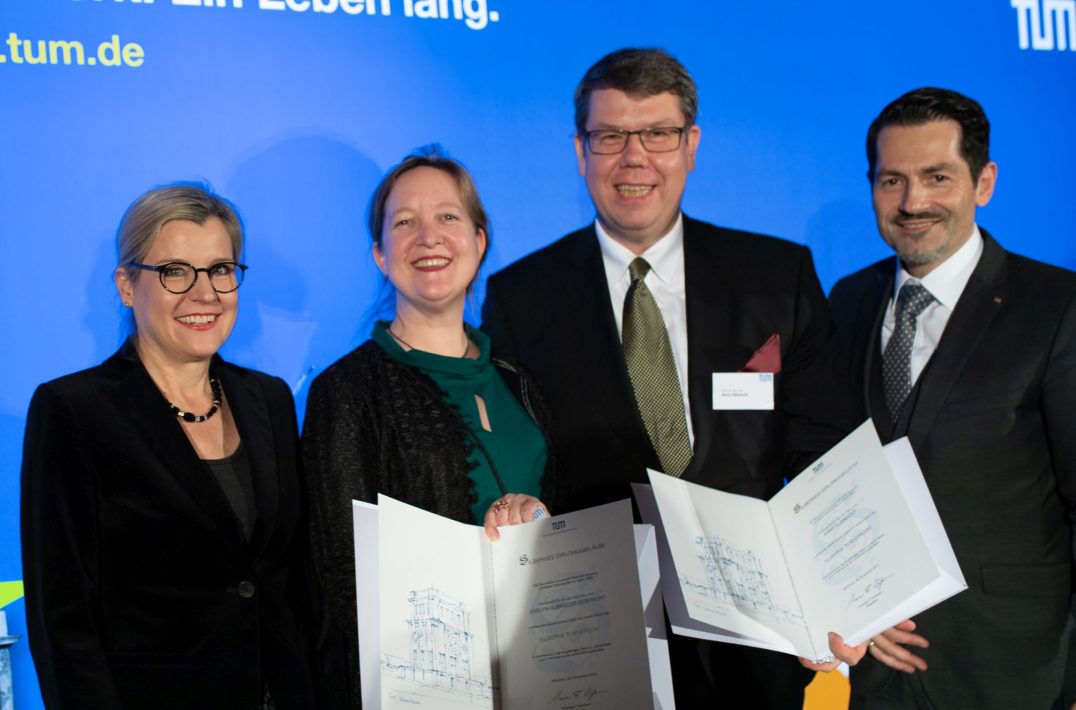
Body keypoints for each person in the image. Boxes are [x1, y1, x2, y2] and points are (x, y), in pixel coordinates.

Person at [482, 48, 839, 709]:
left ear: (691, 144)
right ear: (580, 150)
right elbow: (520, 462)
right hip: (601, 642)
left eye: (658, 134)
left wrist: (839, 590)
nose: (634, 158)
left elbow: (821, 455)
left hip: (757, 644)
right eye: (611, 136)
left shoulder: (776, 275)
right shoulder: (520, 297)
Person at [20, 184, 341, 708]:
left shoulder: (271, 399)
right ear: (126, 285)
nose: (204, 293)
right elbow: (63, 620)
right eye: (174, 271)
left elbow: (293, 585)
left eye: (220, 269)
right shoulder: (74, 410)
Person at [825, 87, 1076, 709]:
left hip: (1018, 667)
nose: (913, 203)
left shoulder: (1056, 306)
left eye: (937, 176)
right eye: (892, 181)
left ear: (983, 182)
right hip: (880, 669)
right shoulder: (848, 301)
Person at [302, 146, 555, 708]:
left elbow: (556, 521)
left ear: (479, 240)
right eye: (404, 223)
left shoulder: (521, 382)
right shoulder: (345, 393)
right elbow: (343, 571)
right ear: (379, 254)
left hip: (541, 672)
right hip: (425, 685)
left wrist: (536, 522)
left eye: (447, 216)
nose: (428, 236)